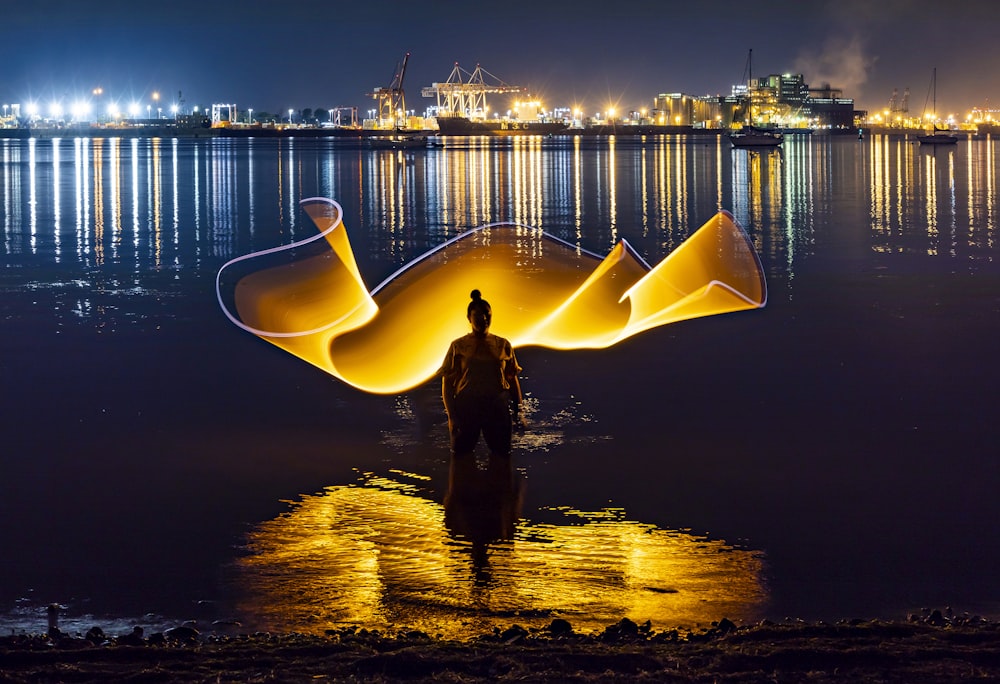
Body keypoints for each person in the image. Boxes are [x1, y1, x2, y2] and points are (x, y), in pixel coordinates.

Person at [440, 289, 523, 459]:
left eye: (487, 314)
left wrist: (519, 411)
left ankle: (501, 485)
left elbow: (512, 379)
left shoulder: (502, 344)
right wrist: (452, 416)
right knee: (461, 458)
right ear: (469, 318)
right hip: (467, 407)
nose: (484, 319)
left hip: (497, 406)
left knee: (502, 457)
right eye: (478, 315)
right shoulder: (458, 346)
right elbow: (447, 384)